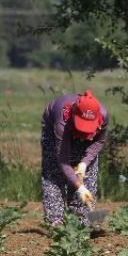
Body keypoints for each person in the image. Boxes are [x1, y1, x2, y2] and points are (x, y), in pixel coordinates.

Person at [41, 90, 108, 226]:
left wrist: (84, 163)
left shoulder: (104, 115)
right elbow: (63, 160)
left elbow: (99, 142)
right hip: (55, 131)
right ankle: (56, 222)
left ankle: (84, 222)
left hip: (84, 131)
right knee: (54, 175)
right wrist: (80, 187)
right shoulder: (62, 121)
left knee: (87, 175)